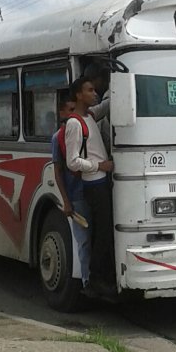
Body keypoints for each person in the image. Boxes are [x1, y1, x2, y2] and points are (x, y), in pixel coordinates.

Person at [65, 77, 115, 298]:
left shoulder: (90, 117)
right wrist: (99, 165)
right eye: (90, 90)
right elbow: (72, 161)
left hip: (101, 182)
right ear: (78, 95)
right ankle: (95, 279)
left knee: (104, 231)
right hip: (93, 184)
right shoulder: (75, 123)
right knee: (102, 233)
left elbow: (106, 104)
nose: (95, 93)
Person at [51, 96, 91, 288]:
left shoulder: (86, 130)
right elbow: (58, 171)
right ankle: (86, 281)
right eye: (70, 109)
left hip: (91, 190)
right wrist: (66, 201)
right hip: (75, 195)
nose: (74, 113)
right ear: (62, 113)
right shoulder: (58, 137)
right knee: (83, 241)